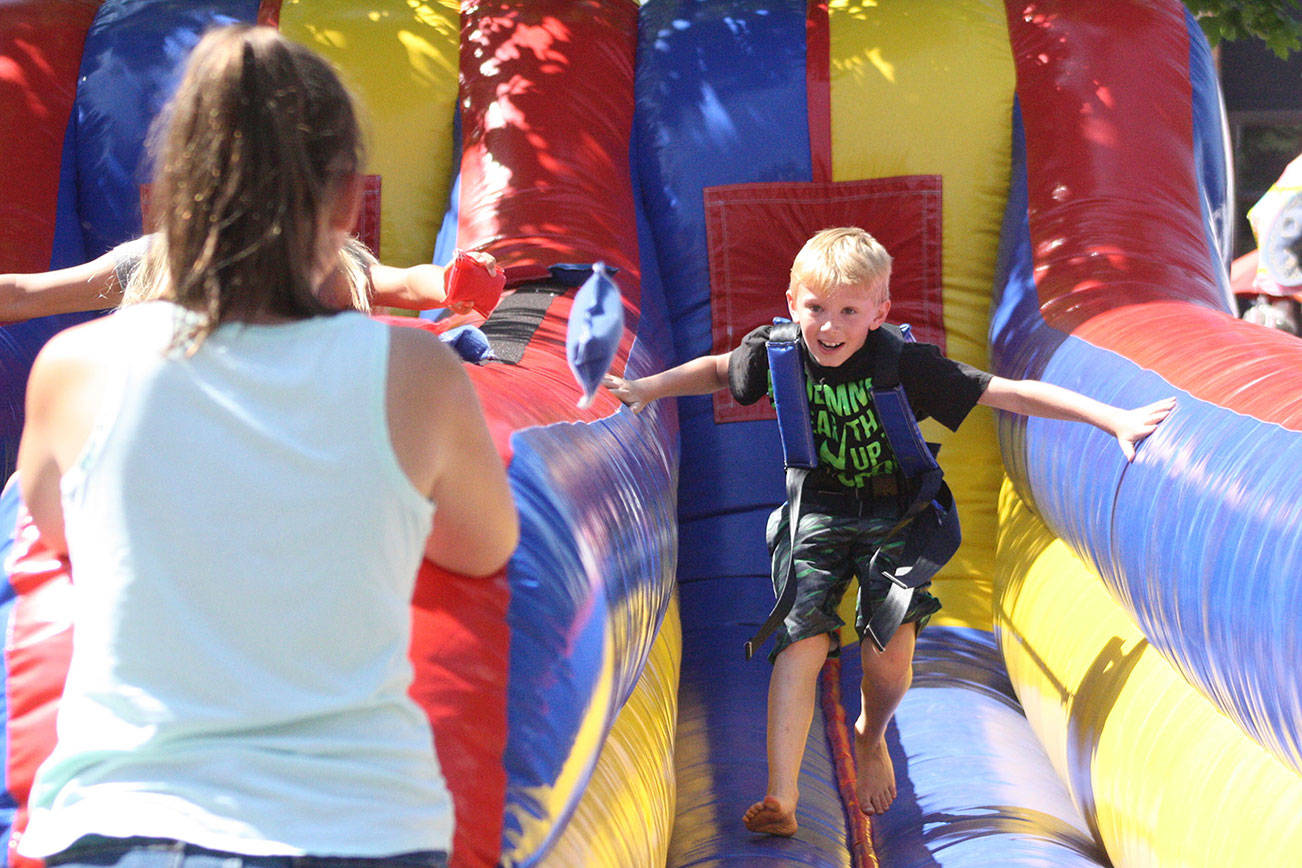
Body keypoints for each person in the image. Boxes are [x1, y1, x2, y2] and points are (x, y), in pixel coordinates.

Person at [15, 24, 517, 868]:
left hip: (125, 820)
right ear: (342, 198)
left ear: (174, 192)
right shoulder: (413, 374)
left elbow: (58, 531)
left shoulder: (77, 368)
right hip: (357, 823)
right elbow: (485, 545)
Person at [603, 226, 1173, 837]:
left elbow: (1008, 392)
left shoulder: (903, 363)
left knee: (886, 656)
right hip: (818, 506)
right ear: (793, 302)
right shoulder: (778, 350)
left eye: (849, 311)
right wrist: (646, 389)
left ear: (879, 313)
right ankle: (783, 796)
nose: (829, 326)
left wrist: (1110, 416)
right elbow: (719, 370)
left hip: (896, 513)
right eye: (816, 308)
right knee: (800, 639)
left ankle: (871, 734)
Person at [0, 234, 503, 323]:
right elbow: (26, 294)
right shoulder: (159, 259)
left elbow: (403, 284)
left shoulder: (326, 260)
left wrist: (452, 283)